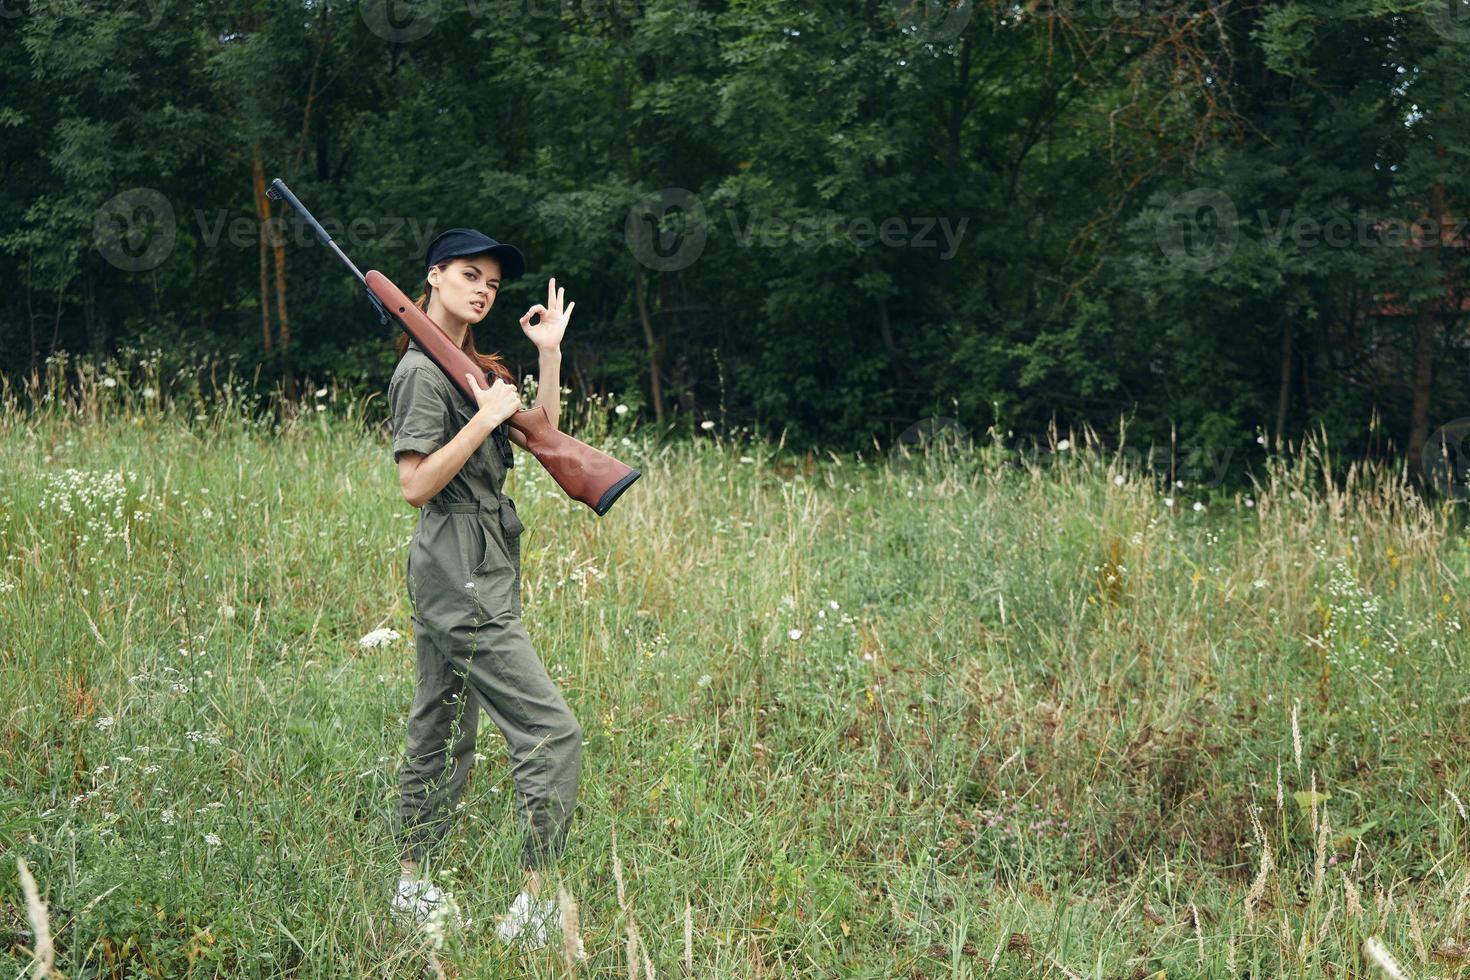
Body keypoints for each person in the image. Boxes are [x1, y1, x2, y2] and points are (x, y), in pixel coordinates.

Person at [386, 227, 582, 949]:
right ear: (433, 277)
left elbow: (547, 438)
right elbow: (414, 485)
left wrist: (549, 355)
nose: (483, 291)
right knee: (552, 732)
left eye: (492, 285)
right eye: (470, 275)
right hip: (455, 559)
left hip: (483, 554)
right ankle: (534, 908)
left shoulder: (470, 365)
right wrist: (483, 421)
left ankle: (412, 881)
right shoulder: (421, 373)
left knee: (442, 725)